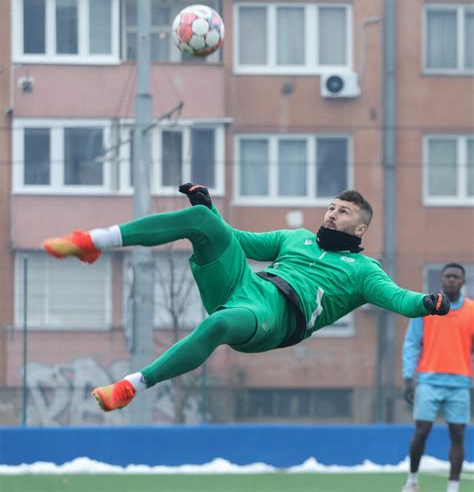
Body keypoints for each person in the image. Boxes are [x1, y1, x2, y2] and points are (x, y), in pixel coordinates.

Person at [42, 184, 450, 413]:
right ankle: (91, 242)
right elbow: (235, 239)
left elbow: (400, 299)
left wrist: (427, 303)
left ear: (360, 230)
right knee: (202, 222)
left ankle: (132, 385)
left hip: (276, 315)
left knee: (218, 324)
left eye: (343, 212)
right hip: (246, 285)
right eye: (330, 207)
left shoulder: (364, 271)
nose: (331, 214)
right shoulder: (296, 239)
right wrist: (209, 208)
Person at [401, 263, 474, 492]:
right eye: (448, 276)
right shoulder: (427, 307)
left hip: (460, 383)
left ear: (463, 281)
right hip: (428, 381)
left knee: (458, 434)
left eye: (457, 277)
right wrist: (407, 378)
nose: (452, 280)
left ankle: (453, 487)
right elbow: (412, 344)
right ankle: (412, 480)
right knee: (421, 431)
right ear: (441, 280)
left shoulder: (472, 311)